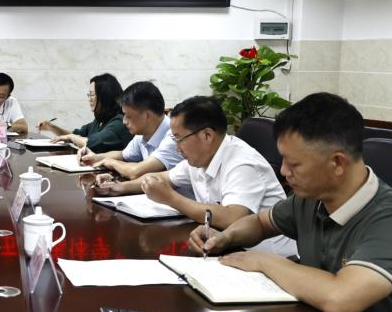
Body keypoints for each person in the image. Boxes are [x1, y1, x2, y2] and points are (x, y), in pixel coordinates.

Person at [189, 93, 392, 312]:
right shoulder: (311, 199)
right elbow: (261, 222)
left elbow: (340, 297)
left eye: (294, 164)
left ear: (337, 163)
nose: (283, 172)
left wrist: (264, 261)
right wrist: (225, 236)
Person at [93, 95, 295, 255]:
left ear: (207, 135)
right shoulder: (199, 157)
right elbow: (163, 178)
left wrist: (170, 198)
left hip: (269, 258)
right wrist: (118, 186)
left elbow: (233, 218)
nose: (176, 147)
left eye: (179, 138)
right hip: (223, 248)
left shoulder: (242, 163)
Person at [79, 80, 183, 179]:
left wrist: (111, 162)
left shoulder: (174, 137)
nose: (124, 121)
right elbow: (123, 155)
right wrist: (94, 157)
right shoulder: (143, 133)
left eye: (128, 116)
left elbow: (135, 172)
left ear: (147, 116)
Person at [38, 73, 132, 152]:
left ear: (105, 96)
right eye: (89, 95)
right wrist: (51, 127)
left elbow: (93, 143)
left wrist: (72, 137)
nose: (89, 99)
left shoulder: (119, 122)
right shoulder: (100, 120)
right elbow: (77, 134)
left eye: (92, 95)